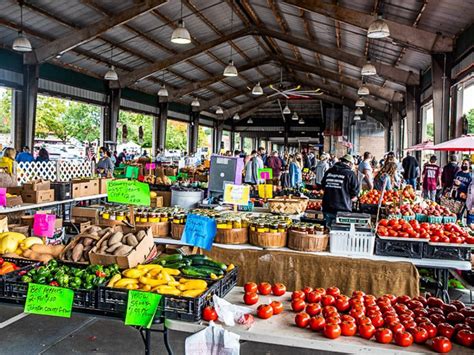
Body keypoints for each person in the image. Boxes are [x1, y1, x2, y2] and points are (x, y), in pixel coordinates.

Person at [321, 154, 360, 227]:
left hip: (327, 208)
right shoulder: (350, 174)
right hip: (343, 210)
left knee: (327, 232)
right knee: (340, 234)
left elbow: (323, 187)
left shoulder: (329, 171)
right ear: (350, 164)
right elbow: (354, 195)